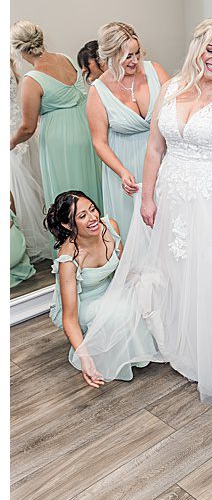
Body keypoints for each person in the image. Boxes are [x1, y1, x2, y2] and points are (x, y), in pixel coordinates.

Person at [73, 18, 212, 401]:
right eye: (210, 49)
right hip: (173, 196)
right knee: (178, 270)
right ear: (197, 47)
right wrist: (148, 196)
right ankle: (185, 339)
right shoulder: (172, 88)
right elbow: (155, 148)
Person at [86, 22, 170, 241]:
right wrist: (122, 172)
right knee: (135, 232)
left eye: (137, 53)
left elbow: (177, 111)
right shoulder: (98, 92)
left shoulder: (156, 71)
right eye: (127, 56)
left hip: (163, 158)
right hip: (125, 166)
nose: (135, 61)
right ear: (110, 56)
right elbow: (99, 142)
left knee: (168, 225)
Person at [10, 20, 104, 212]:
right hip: (85, 130)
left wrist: (10, 142)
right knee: (89, 186)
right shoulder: (65, 58)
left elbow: (27, 128)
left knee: (67, 193)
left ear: (21, 50)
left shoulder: (32, 79)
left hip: (60, 141)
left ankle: (71, 238)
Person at [44, 191, 121, 388]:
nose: (93, 217)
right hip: (80, 304)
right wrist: (85, 359)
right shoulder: (69, 259)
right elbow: (69, 317)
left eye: (92, 209)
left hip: (107, 287)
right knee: (118, 311)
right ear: (68, 225)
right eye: (82, 216)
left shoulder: (110, 227)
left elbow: (124, 270)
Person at [9, 56, 51, 259]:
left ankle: (17, 243)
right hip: (17, 128)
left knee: (17, 187)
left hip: (14, 133)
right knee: (25, 185)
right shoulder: (10, 64)